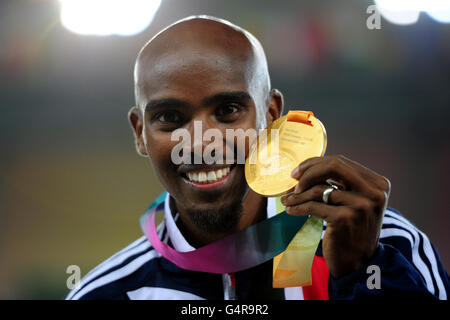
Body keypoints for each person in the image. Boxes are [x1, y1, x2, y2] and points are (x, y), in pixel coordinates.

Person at [66, 15, 449, 300]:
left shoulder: (388, 246)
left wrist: (363, 274)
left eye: (229, 110)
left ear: (271, 116)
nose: (202, 143)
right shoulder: (104, 293)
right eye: (170, 118)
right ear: (140, 133)